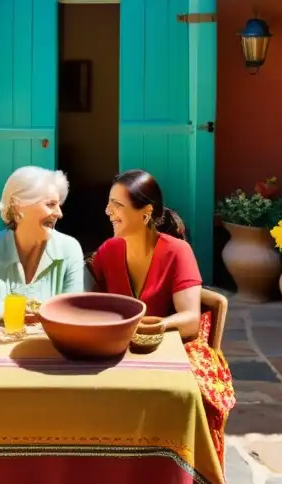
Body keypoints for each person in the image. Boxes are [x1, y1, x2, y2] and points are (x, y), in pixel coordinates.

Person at [86, 169, 236, 468]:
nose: (108, 211)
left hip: (165, 352)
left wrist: (155, 324)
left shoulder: (177, 252)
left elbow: (190, 320)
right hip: (120, 353)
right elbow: (89, 297)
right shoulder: (109, 250)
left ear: (146, 213)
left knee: (187, 401)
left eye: (118, 205)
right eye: (108, 202)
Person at [0, 166, 86, 319]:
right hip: (1, 341)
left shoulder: (69, 248)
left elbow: (72, 308)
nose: (59, 214)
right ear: (17, 208)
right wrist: (20, 312)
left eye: (58, 205)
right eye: (50, 204)